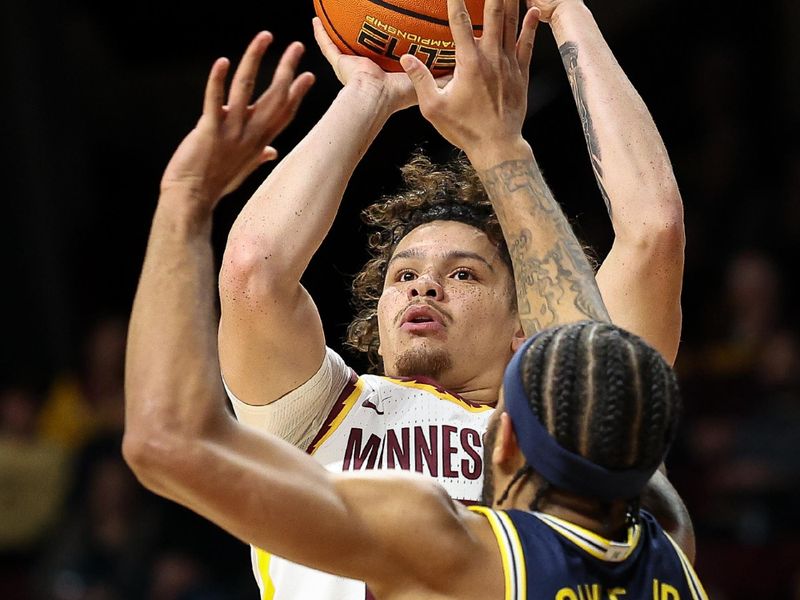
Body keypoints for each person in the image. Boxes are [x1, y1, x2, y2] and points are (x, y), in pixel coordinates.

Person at [216, 0, 688, 595]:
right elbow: (252, 272)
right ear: (380, 315)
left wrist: (566, 11)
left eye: (465, 275)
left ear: (526, 320)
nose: (423, 286)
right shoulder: (314, 412)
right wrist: (369, 92)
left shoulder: (573, 427)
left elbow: (654, 233)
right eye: (401, 275)